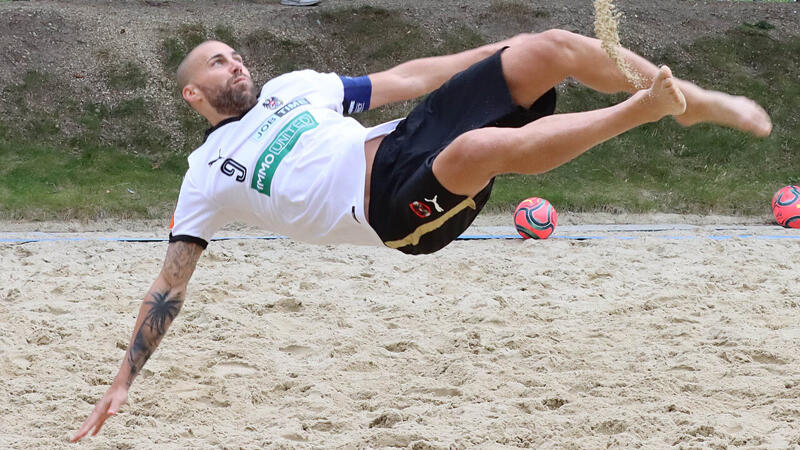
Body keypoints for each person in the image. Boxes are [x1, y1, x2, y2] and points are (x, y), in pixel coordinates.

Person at [71, 29, 771, 441]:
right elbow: (170, 282)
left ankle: (688, 101)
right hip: (390, 214)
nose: (235, 65)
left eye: (234, 55)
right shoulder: (203, 175)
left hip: (401, 140)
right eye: (217, 65)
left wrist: (498, 52)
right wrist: (123, 381)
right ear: (194, 95)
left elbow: (406, 78)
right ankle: (639, 111)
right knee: (473, 149)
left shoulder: (295, 86)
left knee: (547, 48)